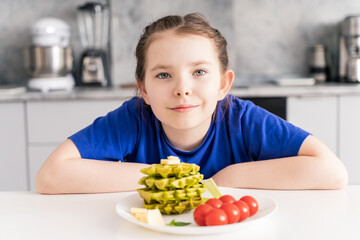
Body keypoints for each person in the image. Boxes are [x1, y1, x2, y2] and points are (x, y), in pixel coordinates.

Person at [36, 13, 348, 194]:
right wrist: (173, 179)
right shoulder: (134, 119)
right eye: (163, 75)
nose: (182, 89)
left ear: (223, 84)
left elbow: (333, 172)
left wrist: (221, 180)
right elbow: (49, 176)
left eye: (199, 72)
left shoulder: (242, 120)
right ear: (142, 90)